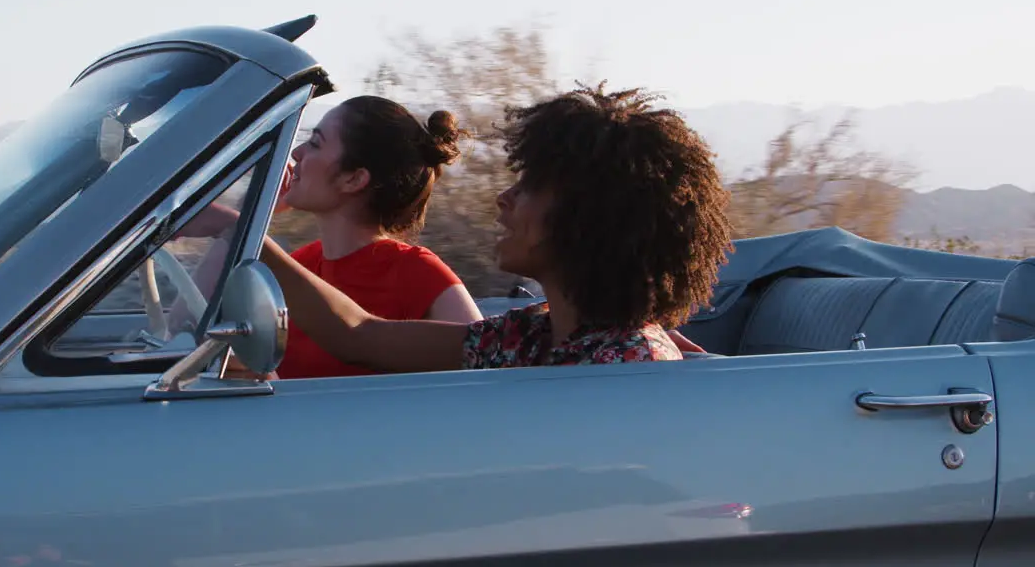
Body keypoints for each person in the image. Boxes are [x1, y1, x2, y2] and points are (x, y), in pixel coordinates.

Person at [254, 84, 733, 372]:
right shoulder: (526, 338)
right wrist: (246, 233)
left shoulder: (629, 367)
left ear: (588, 218)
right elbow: (357, 334)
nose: (504, 200)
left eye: (529, 188)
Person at [174, 95, 482, 378]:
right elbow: (182, 337)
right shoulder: (300, 266)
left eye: (316, 143)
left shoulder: (418, 272)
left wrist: (233, 226)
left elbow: (488, 374)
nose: (296, 152)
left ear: (353, 178)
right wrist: (251, 214)